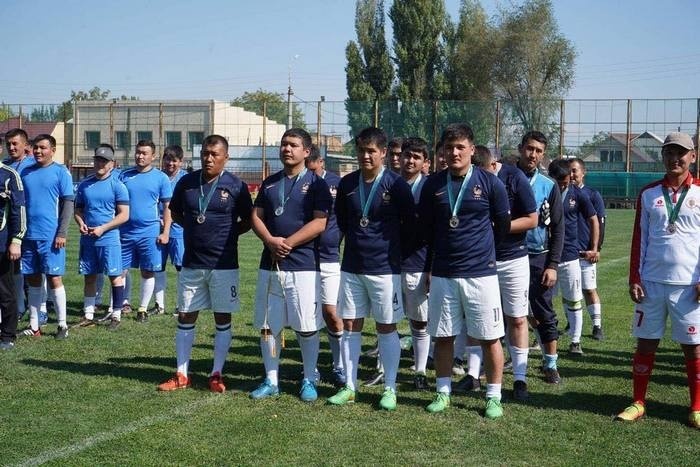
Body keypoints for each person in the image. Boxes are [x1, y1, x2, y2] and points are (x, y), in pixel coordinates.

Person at [418, 124, 510, 418]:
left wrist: (482, 253)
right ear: (442, 152)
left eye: (460, 147)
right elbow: (427, 231)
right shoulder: (432, 185)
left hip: (480, 273)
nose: (454, 152)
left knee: (489, 337)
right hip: (444, 273)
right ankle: (443, 392)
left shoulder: (490, 183)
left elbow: (502, 226)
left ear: (472, 149)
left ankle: (493, 396)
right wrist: (430, 267)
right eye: (449, 147)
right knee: (443, 336)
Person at [616, 132, 700, 429]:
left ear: (693, 156)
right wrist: (634, 277)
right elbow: (640, 238)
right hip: (651, 283)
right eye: (669, 153)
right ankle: (638, 402)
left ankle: (696, 406)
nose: (674, 158)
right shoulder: (649, 193)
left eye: (681, 153)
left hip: (689, 286)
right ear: (662, 156)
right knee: (646, 343)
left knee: (693, 347)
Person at [327, 126, 414, 411]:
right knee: (350, 326)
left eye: (371, 151)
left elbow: (409, 226)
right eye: (361, 150)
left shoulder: (396, 185)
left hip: (385, 268)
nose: (365, 156)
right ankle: (350, 387)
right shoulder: (347, 183)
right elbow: (343, 221)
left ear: (383, 153)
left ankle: (390, 388)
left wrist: (396, 256)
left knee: (386, 327)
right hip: (352, 266)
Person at [158, 134, 252, 393]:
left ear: (226, 158)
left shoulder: (236, 186)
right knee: (186, 315)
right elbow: (175, 212)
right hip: (192, 262)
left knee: (222, 316)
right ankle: (181, 374)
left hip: (224, 263)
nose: (208, 158)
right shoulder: (187, 183)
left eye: (214, 154)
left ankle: (216, 373)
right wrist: (194, 228)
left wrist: (229, 235)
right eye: (205, 154)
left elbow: (249, 219)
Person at [249, 128, 331, 402]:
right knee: (268, 326)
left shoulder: (317, 184)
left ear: (306, 152)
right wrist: (270, 241)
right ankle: (271, 379)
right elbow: (256, 217)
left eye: (293, 145)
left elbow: (320, 222)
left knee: (306, 326)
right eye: (284, 144)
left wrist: (288, 243)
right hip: (270, 264)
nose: (287, 149)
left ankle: (309, 377)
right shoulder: (270, 183)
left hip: (303, 265)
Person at [462, 145, 537, 401]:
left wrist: (498, 226)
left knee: (517, 318)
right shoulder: (467, 178)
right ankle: (472, 374)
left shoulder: (515, 177)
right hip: (481, 260)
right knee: (475, 317)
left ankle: (519, 379)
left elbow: (532, 219)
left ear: (494, 165)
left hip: (513, 258)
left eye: (483, 173)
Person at [516, 131, 565, 384]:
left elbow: (558, 227)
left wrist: (553, 264)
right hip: (508, 256)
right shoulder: (503, 178)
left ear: (543, 155)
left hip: (538, 257)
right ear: (520, 148)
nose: (533, 154)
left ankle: (550, 364)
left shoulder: (549, 185)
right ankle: (503, 361)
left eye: (538, 151)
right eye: (529, 148)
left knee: (544, 311)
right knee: (506, 312)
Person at [20, 134, 74, 339]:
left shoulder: (61, 172)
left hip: (50, 237)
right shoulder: (25, 171)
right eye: (36, 147)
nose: (38, 151)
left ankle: (62, 325)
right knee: (33, 279)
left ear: (53, 150)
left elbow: (68, 204)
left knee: (54, 278)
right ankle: (34, 326)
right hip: (28, 236)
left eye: (43, 147)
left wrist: (61, 232)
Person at [73, 145, 129, 331]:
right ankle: (88, 314)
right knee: (89, 277)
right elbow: (78, 210)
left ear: (112, 164)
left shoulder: (118, 186)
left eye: (104, 161)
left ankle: (116, 314)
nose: (100, 164)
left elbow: (124, 215)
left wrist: (103, 228)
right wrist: (81, 223)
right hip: (88, 239)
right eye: (97, 160)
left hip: (109, 239)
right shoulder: (85, 185)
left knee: (115, 277)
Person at [548, 159, 599, 356]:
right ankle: (544, 336)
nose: (563, 186)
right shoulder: (544, 190)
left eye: (566, 182)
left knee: (574, 299)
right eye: (559, 182)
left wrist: (594, 247)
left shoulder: (577, 193)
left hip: (570, 255)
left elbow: (593, 219)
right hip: (546, 255)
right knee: (544, 302)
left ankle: (575, 341)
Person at [118, 140, 172, 323]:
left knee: (147, 271)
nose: (140, 156)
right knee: (120, 271)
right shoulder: (124, 175)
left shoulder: (161, 178)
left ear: (153, 156)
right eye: (138, 152)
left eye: (144, 153)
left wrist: (165, 232)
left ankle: (142, 308)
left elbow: (168, 207)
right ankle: (119, 305)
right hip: (124, 232)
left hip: (149, 232)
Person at [305, 144, 346, 387]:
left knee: (331, 312)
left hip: (329, 258)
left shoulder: (336, 184)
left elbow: (345, 218)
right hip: (304, 258)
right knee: (307, 315)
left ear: (321, 162)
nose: (310, 172)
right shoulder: (300, 183)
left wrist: (336, 240)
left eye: (313, 168)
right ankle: (310, 369)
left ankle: (339, 365)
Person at [398, 137, 431, 390]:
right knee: (386, 319)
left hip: (417, 263)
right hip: (386, 263)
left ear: (424, 162)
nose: (410, 160)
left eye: (416, 157)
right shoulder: (389, 183)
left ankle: (420, 371)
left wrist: (431, 266)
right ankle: (383, 368)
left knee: (420, 321)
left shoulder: (430, 188)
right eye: (407, 155)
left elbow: (436, 231)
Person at [2, 128, 38, 323]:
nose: (12, 147)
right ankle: (19, 306)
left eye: (15, 143)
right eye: (8, 144)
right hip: (10, 226)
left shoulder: (35, 165)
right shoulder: (5, 166)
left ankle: (41, 307)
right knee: (13, 268)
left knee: (35, 269)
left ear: (26, 145)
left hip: (33, 225)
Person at [570, 157, 606, 340]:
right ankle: (572, 323)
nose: (571, 174)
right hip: (568, 253)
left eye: (575, 170)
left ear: (583, 173)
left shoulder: (592, 194)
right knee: (571, 291)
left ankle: (597, 326)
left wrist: (596, 248)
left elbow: (600, 222)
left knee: (589, 289)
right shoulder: (562, 193)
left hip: (586, 251)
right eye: (569, 171)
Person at [153, 145, 187, 316]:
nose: (170, 163)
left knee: (181, 267)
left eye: (174, 160)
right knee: (157, 266)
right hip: (157, 227)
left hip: (178, 229)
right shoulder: (156, 177)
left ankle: (182, 305)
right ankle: (159, 305)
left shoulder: (185, 179)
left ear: (181, 162)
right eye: (167, 159)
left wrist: (171, 218)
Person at [0, 154, 26, 349]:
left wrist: (16, 240)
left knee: (5, 290)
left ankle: (7, 336)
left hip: (2, 243)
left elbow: (19, 210)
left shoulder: (9, 175)